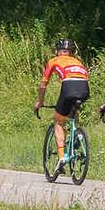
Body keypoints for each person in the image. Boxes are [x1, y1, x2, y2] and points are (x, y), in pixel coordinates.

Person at [34, 39, 90, 173]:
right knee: (73, 109)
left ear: (57, 51)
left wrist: (40, 102)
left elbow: (43, 84)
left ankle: (61, 158)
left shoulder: (53, 61)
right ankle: (77, 134)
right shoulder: (78, 62)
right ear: (71, 52)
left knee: (58, 121)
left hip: (69, 86)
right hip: (84, 88)